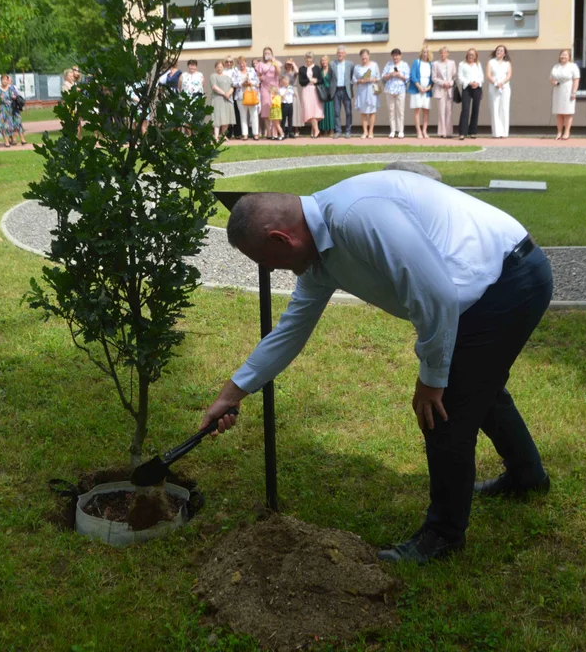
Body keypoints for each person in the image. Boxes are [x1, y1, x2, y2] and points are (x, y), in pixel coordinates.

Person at [199, 165, 553, 564]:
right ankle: (528, 477)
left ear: (282, 238)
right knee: (478, 388)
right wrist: (231, 395)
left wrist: (432, 380)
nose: (267, 270)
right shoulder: (318, 256)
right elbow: (289, 332)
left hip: (509, 279)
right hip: (481, 287)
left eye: (264, 260)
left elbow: (436, 295)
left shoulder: (357, 216)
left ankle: (443, 536)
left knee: (445, 409)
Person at [550, 50, 580, 141]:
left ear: (569, 57)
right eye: (562, 55)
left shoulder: (573, 66)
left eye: (565, 55)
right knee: (559, 113)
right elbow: (551, 78)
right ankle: (559, 132)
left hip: (568, 89)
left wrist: (574, 92)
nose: (563, 56)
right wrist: (554, 82)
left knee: (567, 112)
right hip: (558, 90)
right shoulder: (556, 67)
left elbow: (576, 79)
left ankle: (567, 132)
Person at [382, 48, 409, 139]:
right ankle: (393, 130)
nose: (395, 57)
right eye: (393, 55)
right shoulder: (388, 64)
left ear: (400, 56)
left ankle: (400, 130)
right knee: (391, 110)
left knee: (400, 111)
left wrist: (400, 75)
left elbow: (408, 78)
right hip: (389, 90)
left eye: (397, 55)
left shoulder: (404, 65)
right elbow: (383, 77)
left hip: (400, 90)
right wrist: (390, 75)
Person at [353, 48, 380, 139]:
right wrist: (359, 80)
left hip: (371, 90)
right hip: (361, 91)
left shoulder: (374, 65)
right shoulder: (357, 67)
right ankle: (365, 132)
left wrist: (372, 79)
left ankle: (371, 131)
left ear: (369, 56)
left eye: (365, 57)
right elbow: (353, 79)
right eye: (362, 57)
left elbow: (378, 78)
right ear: (360, 57)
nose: (364, 59)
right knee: (363, 112)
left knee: (372, 112)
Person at [457, 48, 483, 141]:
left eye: (472, 55)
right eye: (469, 54)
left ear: (475, 56)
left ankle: (473, 131)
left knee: (475, 109)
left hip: (477, 88)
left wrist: (477, 83)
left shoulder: (478, 64)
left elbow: (481, 77)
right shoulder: (462, 64)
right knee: (465, 110)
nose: (470, 56)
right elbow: (460, 77)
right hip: (466, 88)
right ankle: (462, 133)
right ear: (466, 55)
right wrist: (469, 82)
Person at [431, 47, 457, 139]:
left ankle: (449, 132)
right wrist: (443, 83)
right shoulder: (435, 64)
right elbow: (434, 78)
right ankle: (442, 132)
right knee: (441, 112)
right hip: (440, 90)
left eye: (445, 53)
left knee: (449, 112)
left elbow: (454, 77)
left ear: (448, 54)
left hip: (449, 89)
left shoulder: (452, 63)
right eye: (441, 53)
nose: (443, 54)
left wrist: (450, 83)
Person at [487, 45, 512, 138]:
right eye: (498, 50)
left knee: (504, 108)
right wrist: (496, 83)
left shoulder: (507, 63)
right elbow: (488, 75)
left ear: (504, 53)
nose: (499, 52)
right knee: (495, 108)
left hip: (505, 87)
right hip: (494, 87)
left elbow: (509, 75)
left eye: (501, 51)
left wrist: (502, 83)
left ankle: (504, 132)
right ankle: (496, 132)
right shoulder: (491, 62)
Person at [297, 52, 325, 139]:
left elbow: (321, 80)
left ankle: (314, 131)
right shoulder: (302, 69)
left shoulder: (317, 68)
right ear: (305, 59)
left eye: (310, 58)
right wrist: (309, 80)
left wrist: (316, 81)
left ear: (312, 59)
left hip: (315, 91)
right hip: (306, 90)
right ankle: (316, 130)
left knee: (315, 111)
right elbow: (301, 82)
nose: (308, 60)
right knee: (309, 110)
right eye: (307, 58)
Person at [255, 48, 281, 139]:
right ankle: (269, 133)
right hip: (265, 88)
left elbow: (278, 73)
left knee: (275, 110)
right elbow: (257, 75)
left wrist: (274, 63)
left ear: (272, 54)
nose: (267, 54)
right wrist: (260, 77)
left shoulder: (276, 63)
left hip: (274, 89)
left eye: (269, 53)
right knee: (266, 110)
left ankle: (275, 132)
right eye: (265, 53)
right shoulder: (260, 64)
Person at [0, 74, 26, 146]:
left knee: (13, 124)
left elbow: (17, 95)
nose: (5, 81)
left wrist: (15, 97)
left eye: (6, 79)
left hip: (11, 108)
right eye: (4, 79)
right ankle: (6, 142)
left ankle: (18, 139)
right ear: (1, 80)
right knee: (4, 125)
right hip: (2, 109)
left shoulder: (11, 88)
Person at [331, 46, 356, 138]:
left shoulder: (350, 64)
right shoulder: (332, 64)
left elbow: (353, 76)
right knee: (337, 112)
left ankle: (348, 131)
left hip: (346, 90)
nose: (340, 54)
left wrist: (351, 85)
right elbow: (330, 77)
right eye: (338, 53)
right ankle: (338, 131)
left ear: (345, 54)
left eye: (342, 53)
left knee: (348, 112)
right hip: (336, 90)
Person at [409, 45, 433, 139]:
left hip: (426, 91)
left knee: (426, 110)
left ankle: (424, 130)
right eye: (423, 52)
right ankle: (418, 130)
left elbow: (432, 79)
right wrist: (419, 87)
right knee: (417, 110)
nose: (425, 54)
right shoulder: (417, 62)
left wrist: (427, 88)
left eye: (427, 52)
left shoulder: (431, 64)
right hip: (417, 90)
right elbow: (413, 76)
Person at [235, 56, 260, 140]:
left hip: (251, 94)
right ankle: (244, 134)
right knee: (243, 116)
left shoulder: (251, 70)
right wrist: (242, 83)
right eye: (240, 63)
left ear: (246, 63)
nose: (242, 65)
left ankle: (255, 133)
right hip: (240, 96)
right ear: (238, 64)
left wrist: (250, 82)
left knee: (254, 114)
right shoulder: (236, 71)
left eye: (243, 63)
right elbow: (233, 83)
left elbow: (257, 81)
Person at [210, 60, 235, 141]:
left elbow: (232, 87)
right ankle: (216, 136)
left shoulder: (227, 77)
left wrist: (229, 93)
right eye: (218, 67)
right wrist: (224, 93)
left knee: (226, 118)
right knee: (217, 118)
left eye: (221, 67)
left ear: (223, 67)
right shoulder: (213, 76)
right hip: (217, 100)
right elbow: (214, 87)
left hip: (227, 100)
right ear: (215, 68)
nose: (219, 68)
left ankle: (223, 135)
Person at [319, 55, 336, 137]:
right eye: (322, 60)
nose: (323, 62)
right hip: (322, 93)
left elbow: (334, 81)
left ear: (328, 61)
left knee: (330, 111)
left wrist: (332, 92)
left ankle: (331, 129)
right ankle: (324, 129)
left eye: (325, 60)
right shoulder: (320, 71)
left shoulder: (331, 70)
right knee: (323, 111)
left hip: (330, 93)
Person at [223, 56, 240, 139]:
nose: (229, 63)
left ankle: (237, 133)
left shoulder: (235, 70)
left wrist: (232, 88)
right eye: (227, 61)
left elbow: (237, 81)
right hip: (225, 94)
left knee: (236, 112)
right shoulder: (223, 71)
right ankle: (228, 133)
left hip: (234, 92)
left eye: (230, 62)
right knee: (227, 113)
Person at [282, 58, 298, 138]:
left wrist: (293, 63)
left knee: (291, 115)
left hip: (292, 90)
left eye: (290, 64)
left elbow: (297, 72)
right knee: (284, 116)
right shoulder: (284, 73)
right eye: (287, 64)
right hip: (285, 92)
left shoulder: (293, 73)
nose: (288, 66)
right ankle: (284, 132)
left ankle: (291, 131)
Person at [278, 74, 294, 141]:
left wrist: (289, 88)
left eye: (287, 81)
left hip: (290, 104)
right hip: (284, 105)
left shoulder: (291, 88)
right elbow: (283, 96)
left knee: (290, 119)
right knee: (283, 120)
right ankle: (283, 133)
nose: (286, 82)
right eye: (284, 81)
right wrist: (286, 89)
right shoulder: (280, 89)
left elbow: (293, 93)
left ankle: (290, 132)